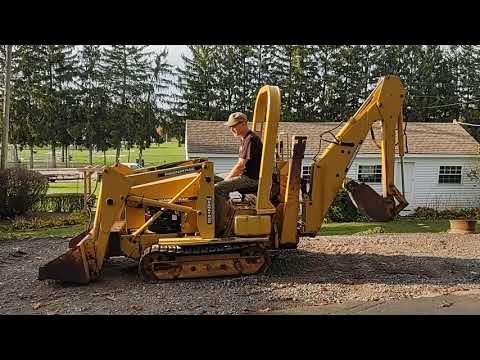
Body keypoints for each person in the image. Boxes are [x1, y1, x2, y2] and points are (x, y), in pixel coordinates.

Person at [215, 112, 263, 200]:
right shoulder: (245, 139)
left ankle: (220, 213)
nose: (231, 129)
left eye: (233, 126)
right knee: (212, 179)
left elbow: (240, 166)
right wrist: (226, 180)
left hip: (252, 179)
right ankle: (225, 205)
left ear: (243, 124)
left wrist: (226, 180)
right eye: (230, 127)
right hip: (245, 176)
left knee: (217, 188)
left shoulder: (250, 139)